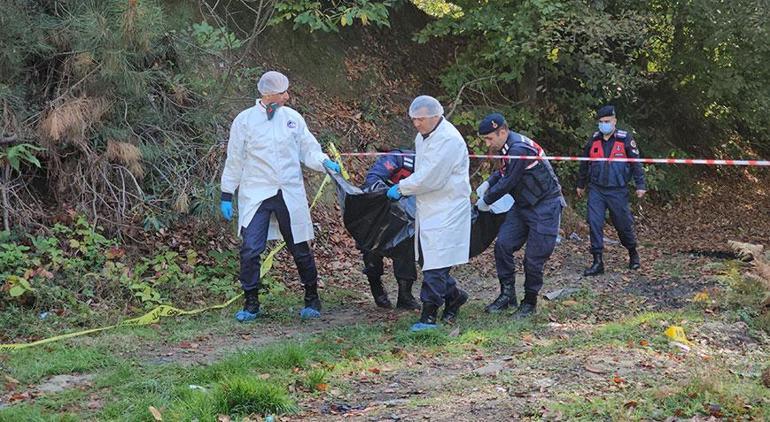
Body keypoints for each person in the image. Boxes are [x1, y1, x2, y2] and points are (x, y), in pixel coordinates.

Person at [220, 70, 342, 322]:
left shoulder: (293, 119)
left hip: (288, 192)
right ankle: (251, 302)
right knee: (251, 249)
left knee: (299, 247)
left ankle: (312, 297)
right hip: (256, 193)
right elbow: (235, 159)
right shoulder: (244, 121)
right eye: (282, 92)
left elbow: (308, 149)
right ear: (267, 94)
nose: (287, 96)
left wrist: (324, 162)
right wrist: (226, 192)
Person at [386, 95, 471, 331]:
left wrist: (402, 188)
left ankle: (429, 314)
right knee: (428, 259)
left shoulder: (449, 140)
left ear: (436, 117)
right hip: (429, 206)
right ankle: (455, 296)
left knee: (435, 263)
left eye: (420, 120)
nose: (416, 124)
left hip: (448, 208)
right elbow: (422, 170)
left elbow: (431, 177)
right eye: (413, 120)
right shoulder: (422, 137)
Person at [475, 113, 565, 318]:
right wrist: (489, 182)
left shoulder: (519, 148)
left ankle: (529, 303)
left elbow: (509, 182)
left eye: (490, 138)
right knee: (503, 245)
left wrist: (486, 200)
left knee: (533, 259)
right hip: (523, 205)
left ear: (503, 131)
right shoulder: (508, 147)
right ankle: (507, 295)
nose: (488, 143)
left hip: (545, 206)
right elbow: (504, 172)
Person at [576, 105, 646, 276]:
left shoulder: (625, 139)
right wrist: (580, 184)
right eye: (601, 122)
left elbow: (636, 163)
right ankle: (597, 261)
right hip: (597, 189)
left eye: (607, 121)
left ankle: (632, 253)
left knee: (623, 225)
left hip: (618, 190)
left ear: (614, 121)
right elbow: (584, 163)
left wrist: (640, 185)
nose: (604, 125)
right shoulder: (594, 140)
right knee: (594, 222)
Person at [358, 148, 420, 310]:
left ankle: (405, 295)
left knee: (406, 249)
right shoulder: (399, 158)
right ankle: (376, 287)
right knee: (371, 250)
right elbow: (372, 178)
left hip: (406, 217)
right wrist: (389, 192)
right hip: (379, 211)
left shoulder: (432, 166)